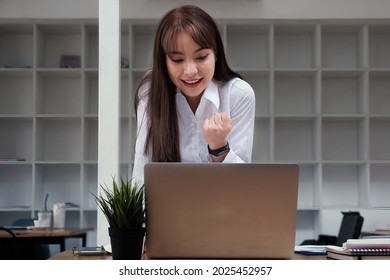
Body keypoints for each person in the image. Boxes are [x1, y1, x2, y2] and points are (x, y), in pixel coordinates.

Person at [132, 5, 255, 185]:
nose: (190, 71)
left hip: (223, 208)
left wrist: (219, 147)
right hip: (166, 209)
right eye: (177, 60)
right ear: (163, 61)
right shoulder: (150, 92)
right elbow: (141, 173)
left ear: (216, 54)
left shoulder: (239, 95)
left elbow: (241, 183)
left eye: (201, 57)